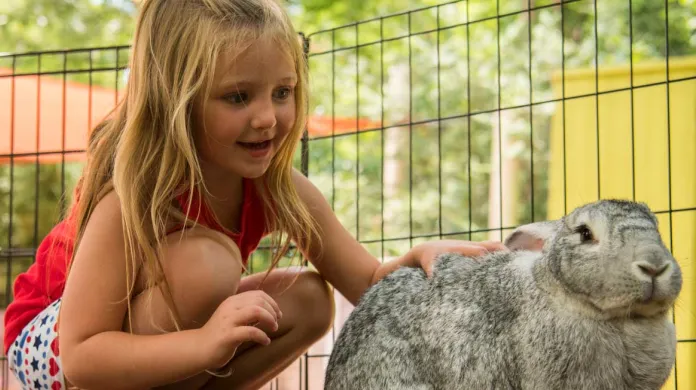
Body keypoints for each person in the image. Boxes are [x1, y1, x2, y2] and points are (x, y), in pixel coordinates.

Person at [3, 0, 506, 389]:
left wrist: (418, 260)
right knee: (210, 266)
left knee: (310, 300)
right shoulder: (133, 198)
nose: (268, 117)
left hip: (144, 341)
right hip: (54, 346)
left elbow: (367, 285)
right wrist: (203, 345)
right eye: (238, 97)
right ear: (178, 101)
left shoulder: (281, 190)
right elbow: (83, 355)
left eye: (282, 92)